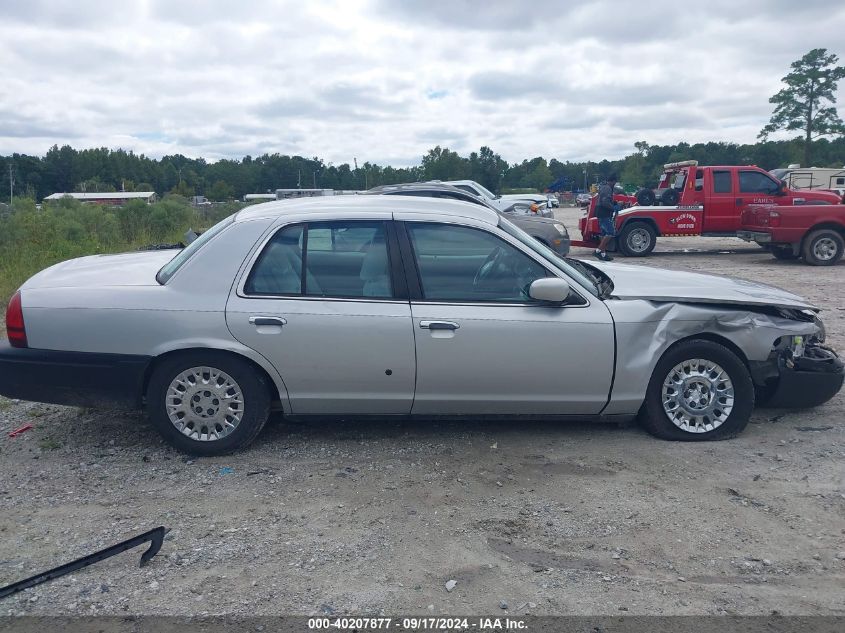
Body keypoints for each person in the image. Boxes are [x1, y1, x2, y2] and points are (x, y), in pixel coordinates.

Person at [593, 174, 617, 261]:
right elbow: (605, 202)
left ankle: (603, 254)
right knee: (611, 232)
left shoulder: (603, 187)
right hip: (604, 213)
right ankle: (598, 251)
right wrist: (613, 207)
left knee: (603, 234)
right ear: (613, 181)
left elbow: (604, 200)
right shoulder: (608, 188)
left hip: (600, 212)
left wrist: (614, 203)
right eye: (615, 182)